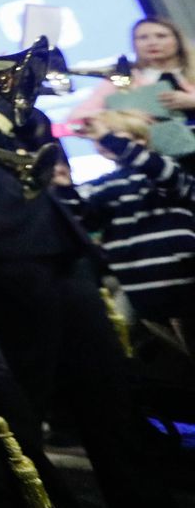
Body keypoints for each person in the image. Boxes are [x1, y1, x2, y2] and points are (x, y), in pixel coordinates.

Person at [0, 96, 191, 508]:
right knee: (22, 406)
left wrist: (14, 106)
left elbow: (41, 139)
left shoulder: (15, 111)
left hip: (62, 250)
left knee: (112, 397)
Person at [58, 110, 195, 345]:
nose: (101, 139)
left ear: (140, 139)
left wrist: (108, 138)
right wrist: (63, 187)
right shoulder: (102, 185)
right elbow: (84, 220)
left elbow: (163, 173)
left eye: (113, 135)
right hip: (141, 290)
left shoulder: (164, 168)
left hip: (184, 282)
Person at [71, 16, 195, 121]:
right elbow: (76, 117)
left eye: (161, 36)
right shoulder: (123, 78)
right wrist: (123, 117)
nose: (152, 43)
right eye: (143, 38)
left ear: (177, 40)